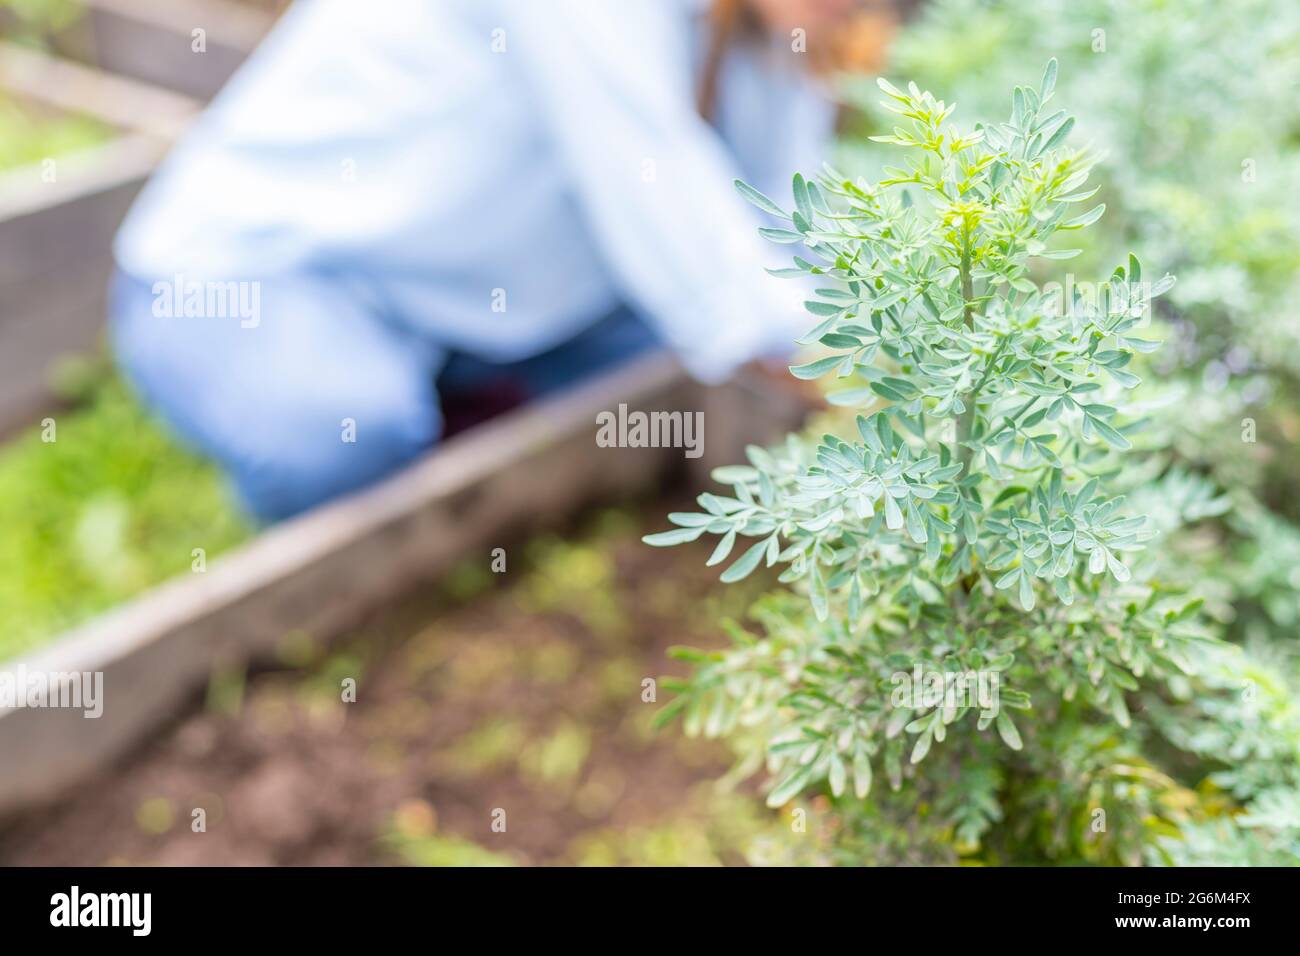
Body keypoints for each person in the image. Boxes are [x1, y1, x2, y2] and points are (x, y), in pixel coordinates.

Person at [110, 0, 888, 521]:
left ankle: (457, 417)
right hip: (267, 273)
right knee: (350, 440)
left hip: (476, 298)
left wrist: (882, 343)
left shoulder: (775, 31)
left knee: (663, 387)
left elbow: (787, 227)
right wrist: (861, 388)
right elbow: (652, 180)